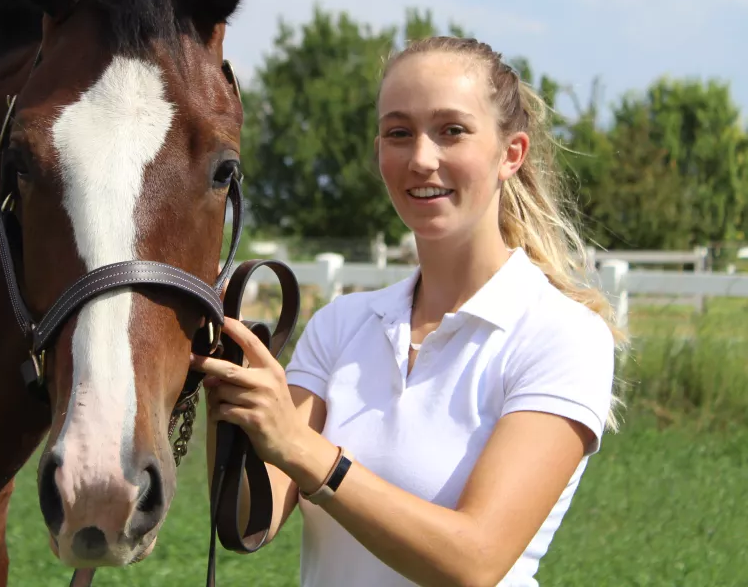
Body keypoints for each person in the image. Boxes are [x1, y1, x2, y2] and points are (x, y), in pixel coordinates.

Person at [191, 36, 627, 587]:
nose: (421, 158)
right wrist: (227, 392)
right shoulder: (340, 326)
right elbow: (248, 518)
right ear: (379, 153)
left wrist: (305, 450)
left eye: (452, 131)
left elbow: (474, 560)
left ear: (510, 154)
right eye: (399, 133)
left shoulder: (562, 336)